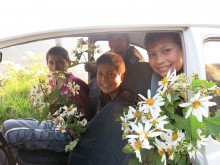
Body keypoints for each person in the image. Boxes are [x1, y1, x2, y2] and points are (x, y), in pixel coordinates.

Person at [0, 46, 92, 165]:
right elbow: (55, 113)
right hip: (57, 124)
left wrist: (61, 113)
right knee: (7, 125)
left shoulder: (75, 84)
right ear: (47, 64)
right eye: (51, 63)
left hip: (68, 135)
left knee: (12, 136)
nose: (55, 67)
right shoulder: (53, 82)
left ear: (68, 62)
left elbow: (85, 119)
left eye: (60, 62)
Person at [68, 52, 138, 165]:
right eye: (100, 74)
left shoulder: (129, 102)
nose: (104, 80)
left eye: (110, 74)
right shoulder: (102, 96)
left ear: (122, 76)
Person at [86, 33, 147, 115]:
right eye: (111, 40)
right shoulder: (110, 53)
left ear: (127, 41)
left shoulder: (134, 58)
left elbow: (137, 82)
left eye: (119, 39)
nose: (114, 43)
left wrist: (132, 93)